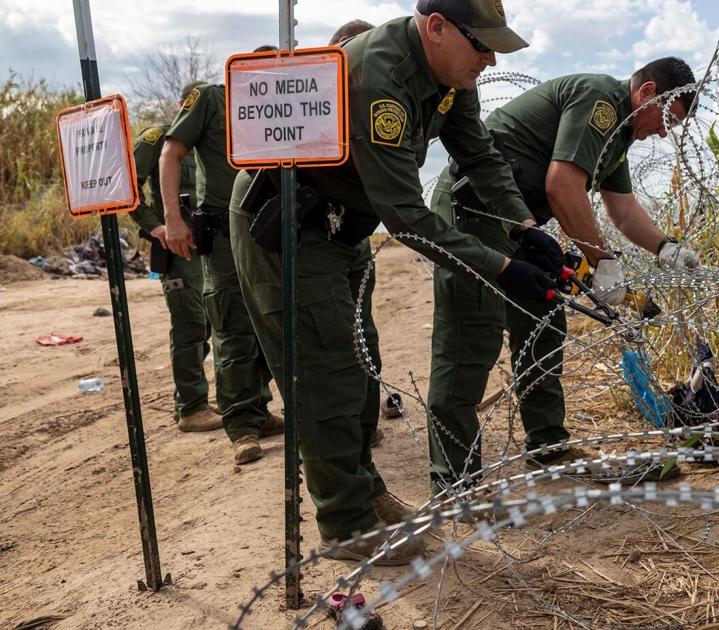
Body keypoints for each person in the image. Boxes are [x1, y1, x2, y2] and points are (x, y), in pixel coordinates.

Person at [262, 0, 556, 565]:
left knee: (353, 366)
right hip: (291, 229)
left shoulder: (449, 72)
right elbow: (406, 216)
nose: (492, 59)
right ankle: (346, 525)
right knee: (328, 377)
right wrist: (501, 266)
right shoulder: (382, 78)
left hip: (340, 227)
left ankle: (364, 492)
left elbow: (482, 156)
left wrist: (524, 227)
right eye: (483, 45)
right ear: (438, 28)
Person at [425, 58, 701, 488]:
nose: (665, 132)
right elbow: (562, 185)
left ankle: (547, 448)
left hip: (522, 226)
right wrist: (602, 261)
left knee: (543, 323)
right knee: (469, 342)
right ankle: (454, 483)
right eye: (668, 118)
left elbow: (622, 208)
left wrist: (667, 247)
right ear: (646, 92)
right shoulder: (601, 102)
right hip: (474, 211)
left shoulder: (619, 135)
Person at [228, 22, 386, 448]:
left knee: (359, 332)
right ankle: (320, 446)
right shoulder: (313, 92)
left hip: (343, 224)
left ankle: (359, 435)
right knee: (306, 342)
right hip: (277, 212)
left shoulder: (373, 96)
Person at [159, 68, 280, 465]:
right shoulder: (211, 98)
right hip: (225, 230)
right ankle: (242, 426)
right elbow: (169, 152)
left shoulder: (283, 102)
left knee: (271, 318)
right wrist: (172, 220)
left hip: (270, 226)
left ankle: (259, 410)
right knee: (231, 324)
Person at [129, 82, 215, 431]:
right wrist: (156, 226)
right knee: (189, 324)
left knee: (212, 322)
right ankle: (191, 407)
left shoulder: (207, 140)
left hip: (208, 244)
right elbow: (127, 185)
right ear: (184, 105)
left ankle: (200, 399)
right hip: (176, 249)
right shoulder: (159, 138)